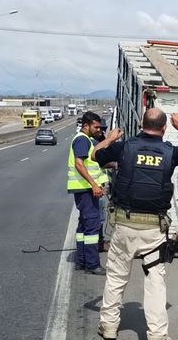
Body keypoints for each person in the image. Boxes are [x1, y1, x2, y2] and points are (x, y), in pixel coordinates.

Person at [92, 108, 178, 340]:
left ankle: (109, 327)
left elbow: (95, 156)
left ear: (141, 123)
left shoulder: (124, 147)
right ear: (164, 127)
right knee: (155, 281)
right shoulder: (171, 152)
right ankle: (157, 335)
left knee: (117, 277)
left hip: (124, 225)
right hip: (154, 229)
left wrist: (109, 139)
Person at [67, 111, 107, 275]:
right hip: (85, 189)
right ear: (86, 125)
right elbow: (79, 164)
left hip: (82, 188)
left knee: (84, 226)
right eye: (96, 126)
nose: (98, 129)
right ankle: (92, 264)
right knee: (92, 227)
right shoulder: (82, 139)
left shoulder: (85, 139)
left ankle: (81, 261)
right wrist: (94, 185)